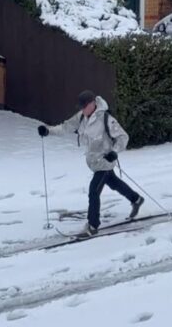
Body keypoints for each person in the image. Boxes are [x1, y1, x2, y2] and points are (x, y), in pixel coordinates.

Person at [38, 90, 144, 237]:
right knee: (114, 183)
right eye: (81, 106)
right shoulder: (81, 116)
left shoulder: (106, 118)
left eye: (84, 106)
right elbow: (65, 127)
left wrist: (114, 152)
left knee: (94, 191)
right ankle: (136, 199)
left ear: (93, 103)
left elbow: (123, 137)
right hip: (94, 162)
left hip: (105, 162)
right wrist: (48, 131)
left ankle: (93, 226)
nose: (82, 109)